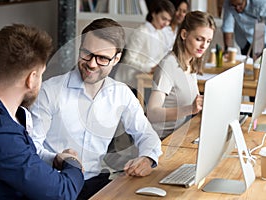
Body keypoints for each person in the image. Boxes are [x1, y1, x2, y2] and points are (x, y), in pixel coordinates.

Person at [29, 18, 162, 199]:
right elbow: (31, 149)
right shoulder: (50, 91)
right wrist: (57, 158)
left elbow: (147, 134)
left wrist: (148, 158)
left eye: (102, 58)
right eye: (87, 54)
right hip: (54, 184)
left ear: (116, 59)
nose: (91, 64)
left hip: (95, 184)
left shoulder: (121, 94)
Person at [0, 24, 84, 200]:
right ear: (32, 78)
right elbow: (63, 193)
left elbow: (18, 161)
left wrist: (54, 160)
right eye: (41, 74)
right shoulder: (0, 135)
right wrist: (72, 163)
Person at [147, 11, 216, 139]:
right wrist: (190, 109)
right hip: (160, 140)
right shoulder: (169, 65)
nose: (204, 46)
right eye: (199, 39)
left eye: (208, 41)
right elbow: (152, 113)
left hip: (178, 134)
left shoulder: (190, 62)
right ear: (184, 34)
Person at [114, 0, 175, 93]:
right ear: (154, 14)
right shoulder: (141, 32)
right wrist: (150, 68)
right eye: (163, 18)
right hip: (129, 83)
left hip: (145, 81)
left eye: (169, 20)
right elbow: (128, 60)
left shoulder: (159, 33)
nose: (166, 23)